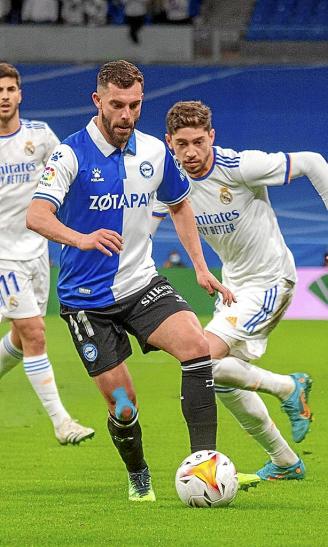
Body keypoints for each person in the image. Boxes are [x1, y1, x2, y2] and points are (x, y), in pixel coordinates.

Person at [26, 60, 252, 502]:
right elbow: (36, 215)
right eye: (117, 105)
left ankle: (204, 466)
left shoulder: (153, 151)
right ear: (98, 101)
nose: (126, 115)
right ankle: (139, 473)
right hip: (86, 300)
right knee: (124, 406)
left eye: (134, 105)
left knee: (197, 346)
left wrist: (201, 268)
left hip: (141, 284)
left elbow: (180, 205)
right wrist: (82, 238)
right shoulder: (70, 153)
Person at [151, 100, 328, 481]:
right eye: (182, 144)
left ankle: (287, 387)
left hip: (270, 282)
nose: (192, 152)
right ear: (169, 143)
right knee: (212, 375)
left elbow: (313, 161)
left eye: (199, 141)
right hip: (232, 288)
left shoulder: (240, 167)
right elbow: (147, 223)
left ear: (211, 136)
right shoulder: (172, 181)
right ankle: (284, 461)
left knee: (199, 358)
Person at [0, 62, 95, 445]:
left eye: (9, 90)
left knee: (23, 340)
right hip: (3, 256)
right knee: (35, 333)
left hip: (38, 252)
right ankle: (62, 422)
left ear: (20, 94)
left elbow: (66, 176)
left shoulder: (40, 137)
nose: (3, 97)